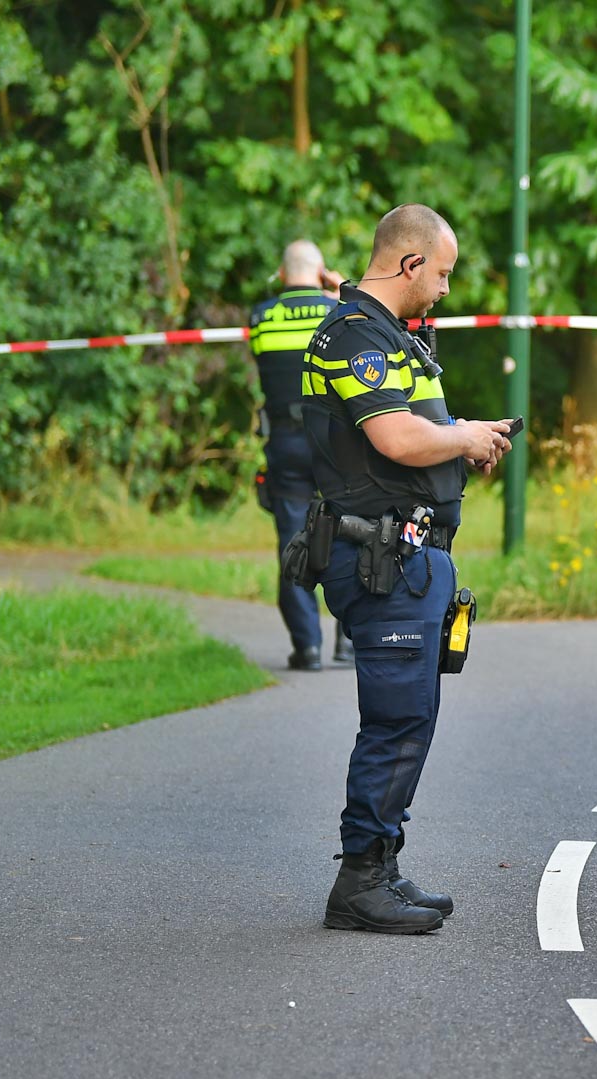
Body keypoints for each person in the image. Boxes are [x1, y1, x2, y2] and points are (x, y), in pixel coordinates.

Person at [301, 204, 515, 934]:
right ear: (410, 262)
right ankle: (358, 882)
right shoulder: (354, 336)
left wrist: (463, 440)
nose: (446, 290)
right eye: (443, 274)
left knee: (412, 717)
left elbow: (414, 437)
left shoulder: (391, 335)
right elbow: (395, 437)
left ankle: (383, 865)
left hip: (410, 556)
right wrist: (463, 437)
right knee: (394, 721)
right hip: (378, 558)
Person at [248, 240, 349, 671]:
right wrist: (341, 290)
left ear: (281, 272)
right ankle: (350, 642)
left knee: (294, 540)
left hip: (286, 443)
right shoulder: (338, 311)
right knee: (353, 534)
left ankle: (307, 647)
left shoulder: (261, 317)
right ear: (321, 270)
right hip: (335, 443)